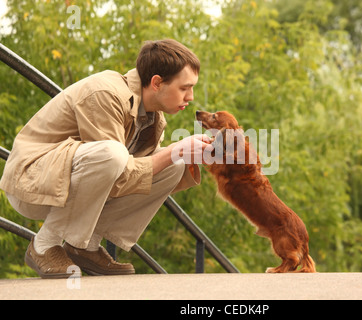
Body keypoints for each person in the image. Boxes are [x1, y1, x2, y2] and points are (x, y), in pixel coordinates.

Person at [0, 39, 213, 278]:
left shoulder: (153, 118)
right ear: (156, 82)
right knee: (116, 154)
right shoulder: (105, 93)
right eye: (185, 88)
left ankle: (86, 246)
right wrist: (175, 150)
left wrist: (182, 154)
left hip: (64, 187)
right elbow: (116, 168)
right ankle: (44, 245)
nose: (191, 96)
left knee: (175, 165)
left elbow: (130, 177)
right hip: (31, 185)